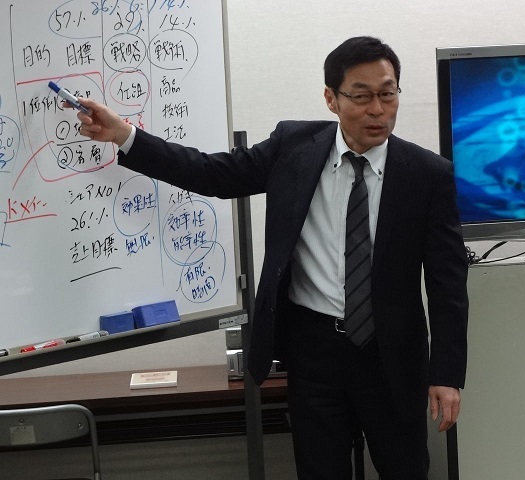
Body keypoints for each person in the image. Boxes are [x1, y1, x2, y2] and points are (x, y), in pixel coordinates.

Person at [75, 36, 469, 480]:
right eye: (361, 96)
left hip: (392, 356)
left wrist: (447, 373)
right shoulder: (293, 147)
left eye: (388, 94)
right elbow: (212, 173)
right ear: (331, 99)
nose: (377, 110)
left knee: (406, 470)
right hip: (314, 353)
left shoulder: (428, 174)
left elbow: (447, 284)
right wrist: (124, 135)